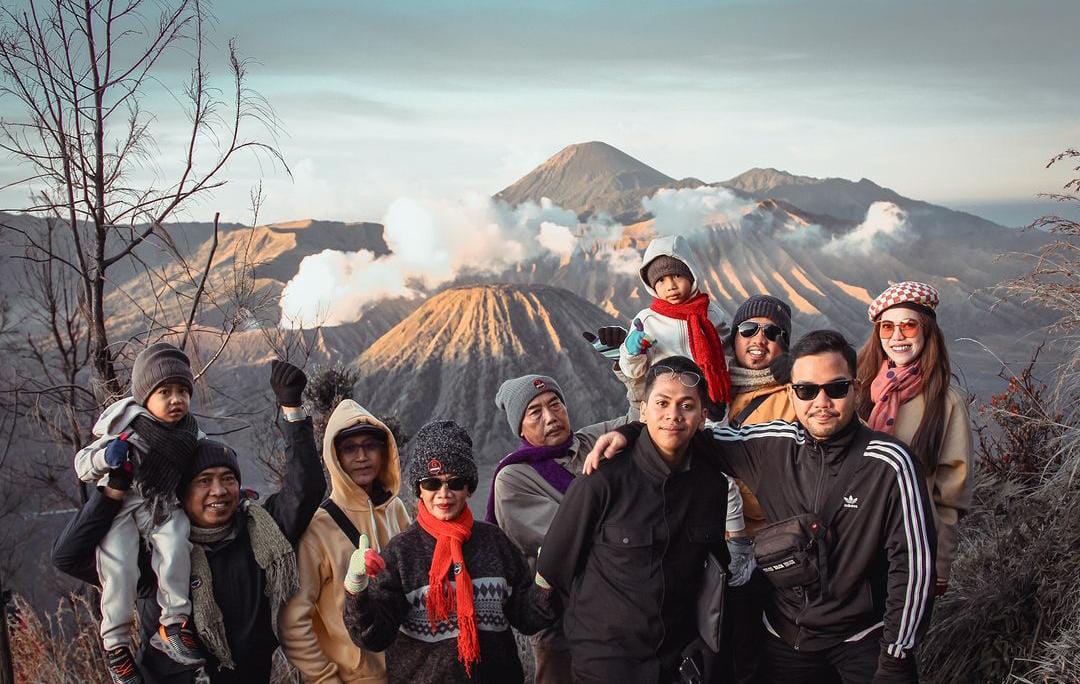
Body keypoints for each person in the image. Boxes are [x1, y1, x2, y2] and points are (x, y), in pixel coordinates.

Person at [586, 331, 936, 683]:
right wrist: (634, 432)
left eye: (836, 388)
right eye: (807, 390)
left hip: (862, 638)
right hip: (784, 637)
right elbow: (695, 436)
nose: (822, 401)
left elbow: (912, 566)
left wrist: (895, 656)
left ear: (856, 389)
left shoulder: (889, 464)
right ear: (791, 393)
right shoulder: (772, 445)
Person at [54, 360, 326, 683]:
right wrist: (113, 492)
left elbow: (306, 489)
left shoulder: (259, 535)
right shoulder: (153, 551)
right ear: (182, 493)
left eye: (228, 479)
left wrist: (293, 410)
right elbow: (67, 556)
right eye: (204, 481)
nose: (218, 491)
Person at [537, 356, 735, 683]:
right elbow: (555, 564)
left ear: (702, 417)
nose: (673, 415)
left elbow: (712, 566)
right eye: (662, 403)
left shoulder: (710, 485)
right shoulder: (603, 476)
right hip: (606, 660)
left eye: (687, 405)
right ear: (643, 410)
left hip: (677, 658)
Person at [342, 420, 555, 683]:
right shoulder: (400, 553)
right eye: (432, 483)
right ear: (419, 489)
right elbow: (374, 636)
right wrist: (356, 588)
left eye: (455, 482)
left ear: (469, 487)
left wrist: (545, 580)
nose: (444, 494)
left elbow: (527, 617)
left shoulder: (495, 543)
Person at [72, 342, 206, 681]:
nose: (176, 399)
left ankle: (173, 625)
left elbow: (209, 460)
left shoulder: (190, 432)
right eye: (165, 392)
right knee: (120, 571)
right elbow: (82, 465)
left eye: (182, 391)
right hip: (122, 508)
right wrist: (108, 457)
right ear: (146, 396)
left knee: (178, 546)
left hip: (161, 505)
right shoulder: (127, 427)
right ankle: (116, 645)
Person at [484, 373, 624, 683]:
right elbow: (566, 540)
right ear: (519, 427)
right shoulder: (514, 479)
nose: (551, 417)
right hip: (563, 626)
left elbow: (646, 420)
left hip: (620, 619)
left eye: (555, 404)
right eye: (535, 412)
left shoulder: (590, 442)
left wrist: (633, 371)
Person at [281, 400, 411, 683]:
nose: (362, 456)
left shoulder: (395, 510)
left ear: (384, 451)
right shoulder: (318, 527)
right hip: (355, 676)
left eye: (370, 446)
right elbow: (293, 622)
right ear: (335, 457)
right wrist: (325, 679)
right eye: (350, 448)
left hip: (408, 669)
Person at [856, 281, 973, 596]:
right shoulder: (857, 390)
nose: (896, 336)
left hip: (911, 552)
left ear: (927, 331)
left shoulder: (946, 404)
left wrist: (940, 565)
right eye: (887, 327)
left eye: (908, 326)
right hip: (851, 545)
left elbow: (951, 498)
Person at [724, 294, 797, 683]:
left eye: (773, 333)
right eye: (748, 329)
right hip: (720, 547)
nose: (759, 339)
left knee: (768, 653)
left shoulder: (794, 395)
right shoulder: (716, 390)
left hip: (772, 548)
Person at [618, 234, 732, 421]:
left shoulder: (709, 313)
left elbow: (729, 353)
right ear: (652, 285)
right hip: (666, 406)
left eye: (677, 276)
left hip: (708, 403)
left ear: (691, 275)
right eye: (661, 280)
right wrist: (632, 353)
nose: (670, 286)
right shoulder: (647, 320)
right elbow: (633, 372)